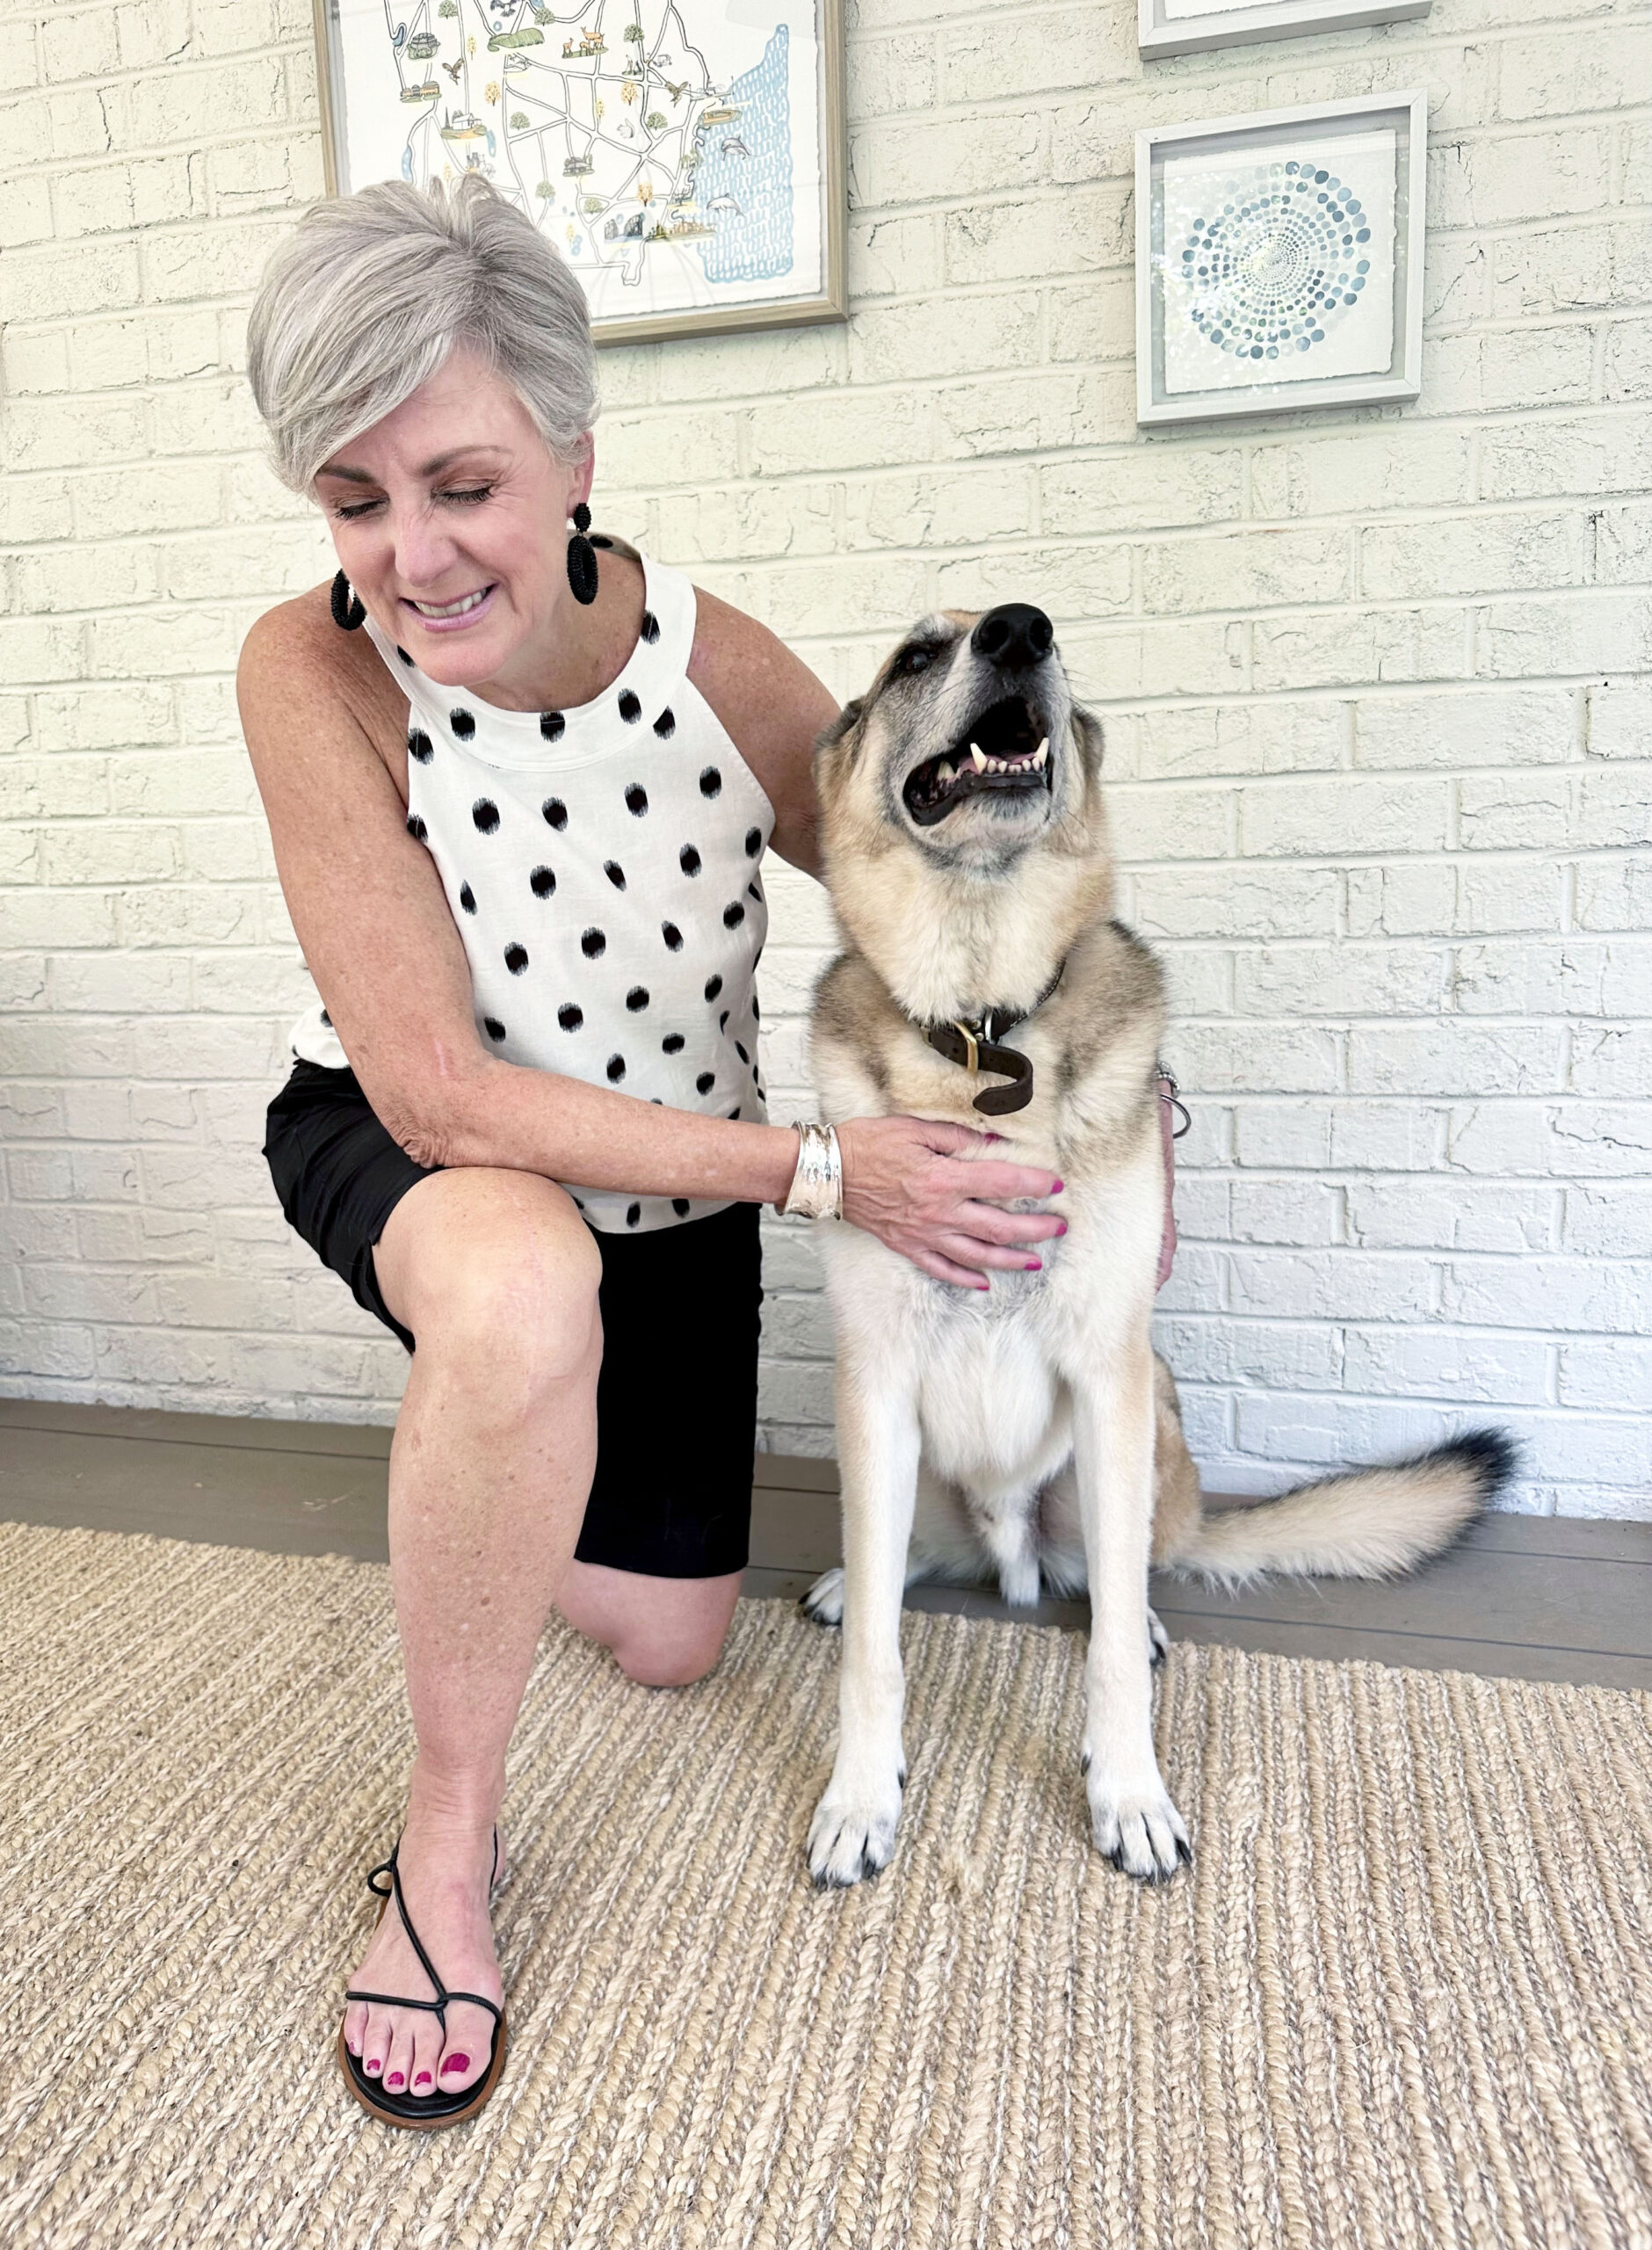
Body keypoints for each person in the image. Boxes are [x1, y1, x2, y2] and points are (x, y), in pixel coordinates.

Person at [240, 174, 1065, 2127]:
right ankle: (445, 1843)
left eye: (462, 485)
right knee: (520, 1282)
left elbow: (927, 880)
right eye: (354, 501)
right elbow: (437, 1095)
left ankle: (496, 1458)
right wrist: (825, 1167)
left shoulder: (709, 665)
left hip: (677, 1180)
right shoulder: (310, 671)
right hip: (413, 1140)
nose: (410, 556)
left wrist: (1091, 1066)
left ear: (574, 460)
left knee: (675, 1643)